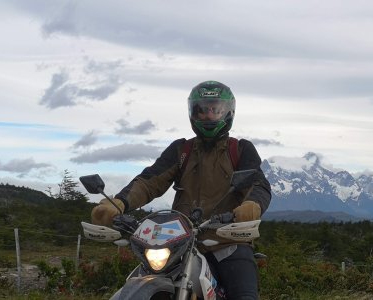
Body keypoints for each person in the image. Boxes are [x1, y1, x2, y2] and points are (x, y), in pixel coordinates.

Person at [90, 80, 271, 299]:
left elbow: (257, 183)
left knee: (244, 295)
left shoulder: (240, 149)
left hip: (228, 241)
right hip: (179, 243)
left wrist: (251, 206)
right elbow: (149, 181)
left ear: (228, 112)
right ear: (192, 112)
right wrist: (118, 203)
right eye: (202, 110)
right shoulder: (181, 150)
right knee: (137, 284)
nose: (208, 115)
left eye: (215, 110)